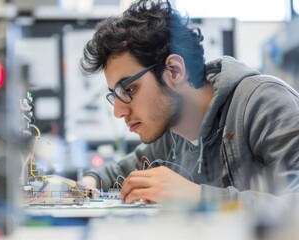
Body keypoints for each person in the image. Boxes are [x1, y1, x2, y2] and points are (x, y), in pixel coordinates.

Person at [79, 0, 299, 207]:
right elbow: (114, 174)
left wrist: (198, 196)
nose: (118, 111)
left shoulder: (263, 104)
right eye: (114, 95)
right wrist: (89, 183)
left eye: (128, 89)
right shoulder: (172, 137)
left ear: (174, 71)